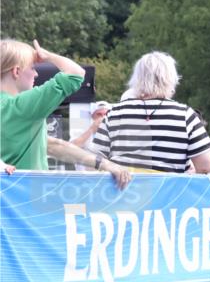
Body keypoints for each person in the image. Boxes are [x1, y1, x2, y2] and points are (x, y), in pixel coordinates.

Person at [1, 39, 131, 187]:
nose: (36, 74)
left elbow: (53, 145)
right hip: (24, 198)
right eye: (32, 68)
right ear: (16, 71)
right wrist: (47, 56)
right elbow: (76, 74)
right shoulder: (21, 106)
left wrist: (103, 163)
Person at [92, 52, 210, 174]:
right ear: (171, 80)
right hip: (168, 193)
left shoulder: (114, 114)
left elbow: (93, 162)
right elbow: (206, 167)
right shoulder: (186, 116)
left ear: (137, 79)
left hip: (124, 192)